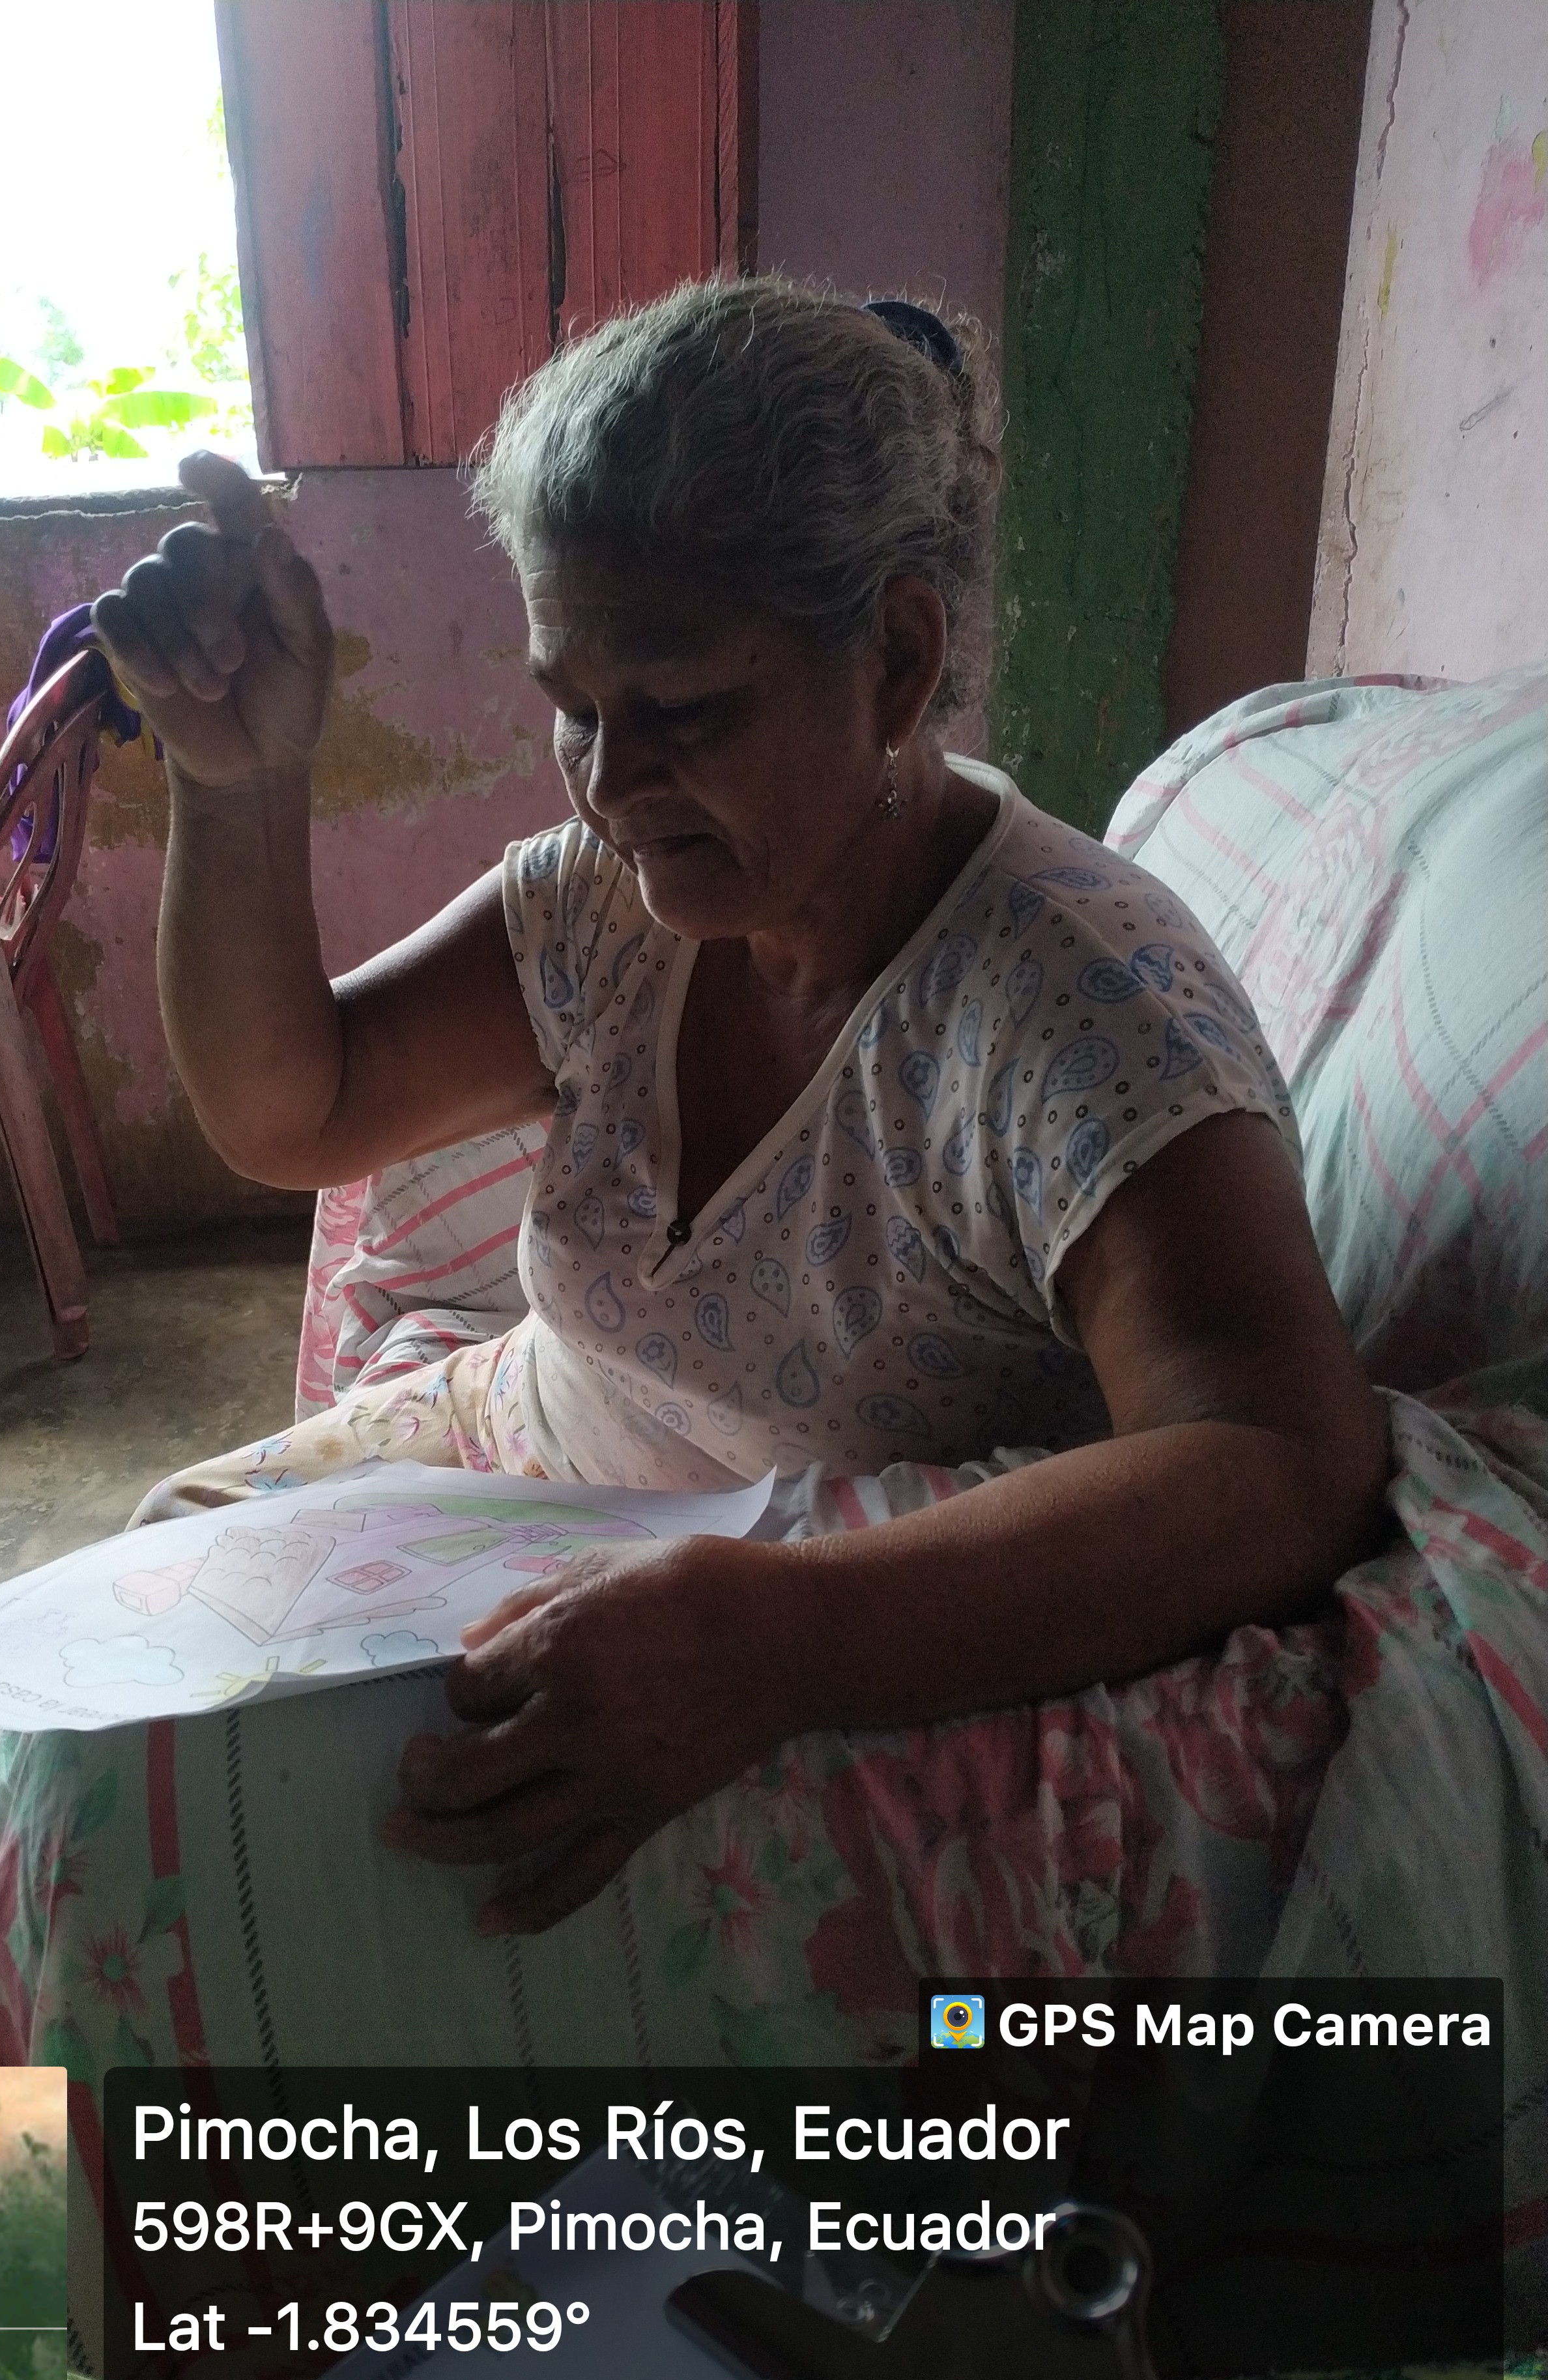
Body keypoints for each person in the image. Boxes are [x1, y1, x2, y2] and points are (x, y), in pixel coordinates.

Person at [87, 274, 1387, 1940]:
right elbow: (299, 1107)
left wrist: (778, 1636)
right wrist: (236, 782)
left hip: (802, 1585)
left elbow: (1280, 1455)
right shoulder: (599, 908)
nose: (612, 787)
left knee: (235, 1808)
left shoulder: (1074, 1006)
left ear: (898, 662)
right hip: (540, 1459)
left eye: (686, 712)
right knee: (151, 1607)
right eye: (574, 712)